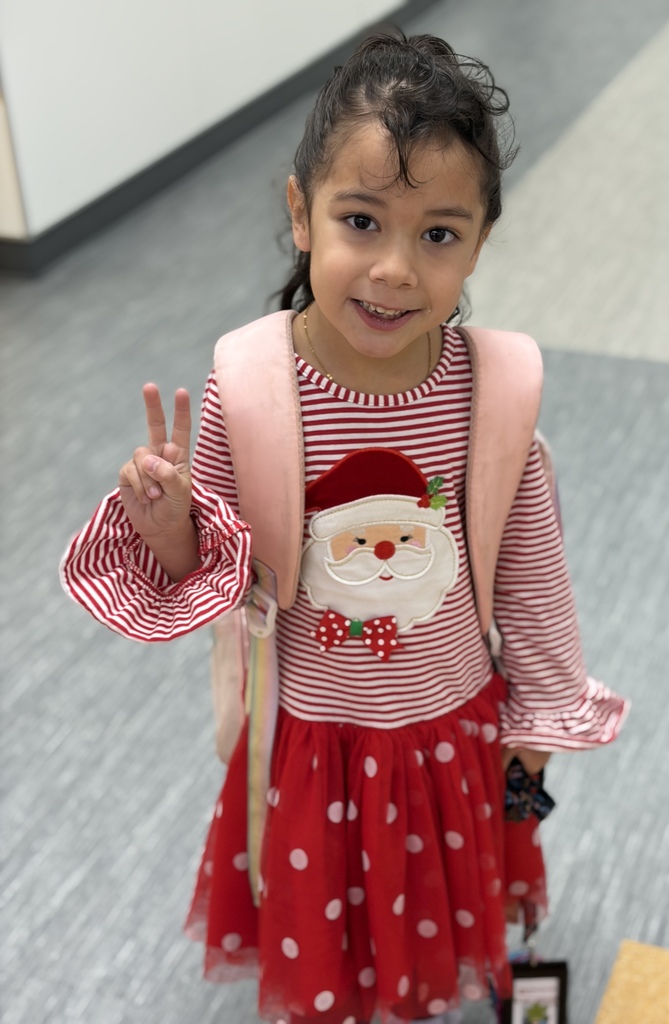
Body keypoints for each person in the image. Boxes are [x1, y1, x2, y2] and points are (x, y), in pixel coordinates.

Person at [61, 30, 628, 1024]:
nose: (396, 271)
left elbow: (532, 571)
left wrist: (537, 726)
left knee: (437, 917)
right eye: (361, 221)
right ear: (301, 215)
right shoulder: (252, 389)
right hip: (312, 741)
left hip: (451, 728)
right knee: (333, 934)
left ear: (481, 243)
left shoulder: (488, 393)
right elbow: (223, 586)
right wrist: (169, 533)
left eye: (439, 235)